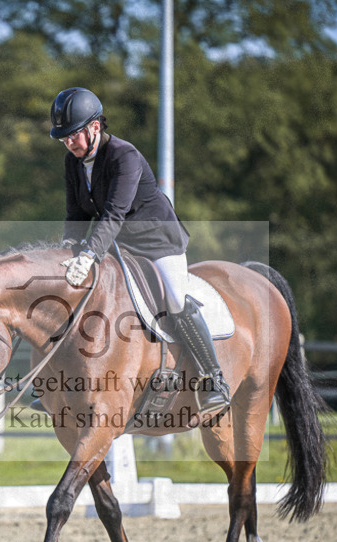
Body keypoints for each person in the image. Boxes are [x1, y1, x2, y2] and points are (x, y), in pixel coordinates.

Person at [49, 86, 230, 419]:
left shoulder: (124, 156)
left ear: (94, 127)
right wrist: (69, 252)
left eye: (73, 135)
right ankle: (60, 383)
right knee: (79, 294)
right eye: (64, 139)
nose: (69, 143)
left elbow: (113, 214)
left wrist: (88, 255)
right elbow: (76, 215)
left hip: (157, 241)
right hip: (118, 244)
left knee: (174, 298)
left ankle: (213, 378)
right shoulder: (72, 162)